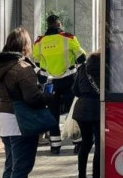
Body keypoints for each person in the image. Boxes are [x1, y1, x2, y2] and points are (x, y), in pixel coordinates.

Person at [0, 27, 51, 178]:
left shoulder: (1, 65)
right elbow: (32, 97)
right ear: (25, 45)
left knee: (11, 165)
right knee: (21, 167)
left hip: (3, 116)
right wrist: (48, 94)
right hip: (19, 120)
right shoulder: (21, 67)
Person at [33, 15, 86, 154]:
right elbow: (82, 57)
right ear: (59, 24)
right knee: (73, 112)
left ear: (48, 25)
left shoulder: (39, 42)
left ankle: (55, 145)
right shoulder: (68, 38)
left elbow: (37, 62)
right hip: (69, 80)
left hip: (50, 83)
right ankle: (78, 143)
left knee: (52, 114)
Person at [72, 51, 101, 178]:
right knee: (100, 145)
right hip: (97, 109)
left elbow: (75, 90)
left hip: (81, 108)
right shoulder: (103, 68)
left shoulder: (82, 68)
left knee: (86, 142)